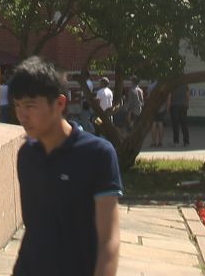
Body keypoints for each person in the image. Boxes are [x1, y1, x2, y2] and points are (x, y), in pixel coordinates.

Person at [9, 56, 122, 276]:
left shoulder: (97, 154)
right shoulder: (27, 155)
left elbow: (109, 239)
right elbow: (34, 229)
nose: (22, 115)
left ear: (60, 103)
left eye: (30, 105)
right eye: (17, 105)